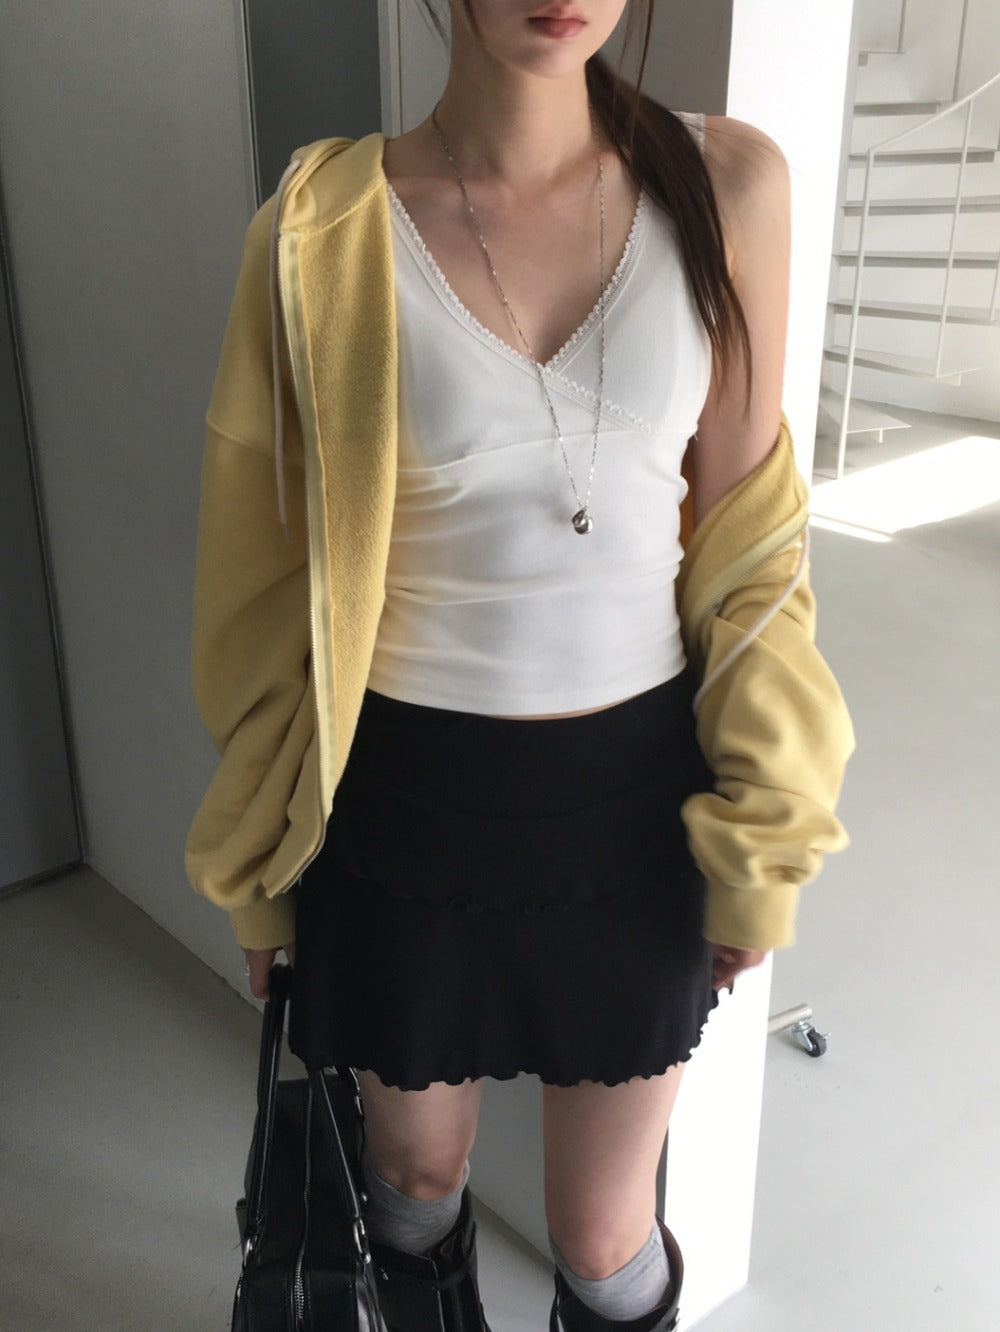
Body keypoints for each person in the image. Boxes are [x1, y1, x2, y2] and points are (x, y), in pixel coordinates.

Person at [185, 2, 854, 1328]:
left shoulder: (728, 185)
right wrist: (260, 870)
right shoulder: (322, 230)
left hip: (634, 809)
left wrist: (766, 830)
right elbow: (261, 588)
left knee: (607, 1241)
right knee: (413, 1185)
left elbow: (752, 552)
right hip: (404, 805)